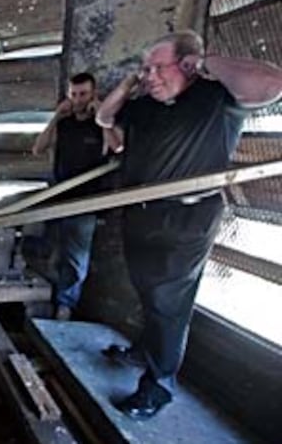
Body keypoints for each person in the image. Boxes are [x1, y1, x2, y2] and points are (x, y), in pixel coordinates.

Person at [95, 30, 282, 420]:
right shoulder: (147, 106)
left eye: (156, 68)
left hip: (186, 221)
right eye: (146, 70)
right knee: (150, 295)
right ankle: (145, 352)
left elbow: (272, 84)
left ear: (187, 64)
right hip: (140, 214)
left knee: (169, 306)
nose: (150, 77)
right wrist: (131, 81)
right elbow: (104, 117)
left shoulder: (216, 100)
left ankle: (158, 388)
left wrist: (206, 63)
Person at [32, 72, 106, 320]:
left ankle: (65, 306)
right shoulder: (64, 124)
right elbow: (38, 148)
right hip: (58, 197)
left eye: (83, 94)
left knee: (76, 259)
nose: (78, 100)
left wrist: (103, 115)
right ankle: (44, 299)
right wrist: (55, 117)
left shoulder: (101, 125)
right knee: (50, 248)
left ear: (93, 94)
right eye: (73, 94)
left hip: (86, 201)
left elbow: (115, 148)